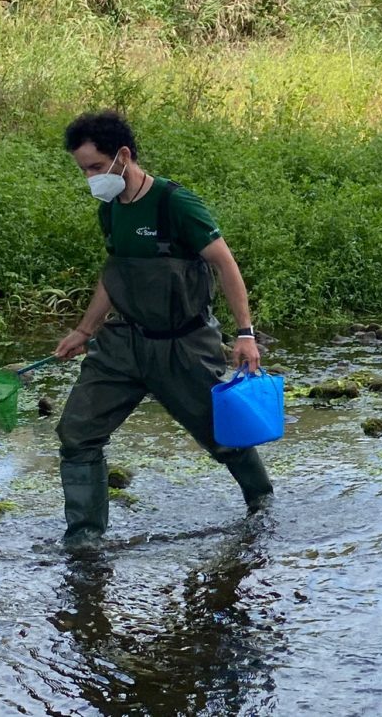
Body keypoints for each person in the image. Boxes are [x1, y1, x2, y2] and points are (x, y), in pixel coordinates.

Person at [54, 109, 273, 546]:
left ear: (123, 155)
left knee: (223, 436)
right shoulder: (111, 209)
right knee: (77, 434)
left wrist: (245, 334)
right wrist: (84, 329)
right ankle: (84, 539)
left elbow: (226, 265)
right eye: (84, 171)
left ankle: (263, 503)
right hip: (123, 345)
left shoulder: (176, 204)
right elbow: (114, 274)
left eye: (96, 167)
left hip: (184, 345)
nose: (92, 179)